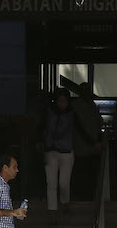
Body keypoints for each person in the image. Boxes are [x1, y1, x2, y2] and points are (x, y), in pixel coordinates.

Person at [42, 88, 75, 224]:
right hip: (51, 151)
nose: (62, 104)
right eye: (60, 101)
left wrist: (93, 142)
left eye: (64, 101)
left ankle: (65, 201)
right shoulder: (48, 113)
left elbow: (81, 129)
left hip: (66, 152)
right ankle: (53, 213)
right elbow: (41, 127)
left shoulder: (72, 114)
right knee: (51, 183)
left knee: (64, 183)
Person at [70, 83, 103, 200]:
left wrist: (96, 141)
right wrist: (93, 142)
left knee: (91, 174)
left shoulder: (92, 105)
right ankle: (81, 196)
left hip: (92, 148)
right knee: (81, 173)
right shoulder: (75, 106)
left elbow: (98, 123)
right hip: (81, 147)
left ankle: (90, 196)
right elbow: (79, 127)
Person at [0, 153, 28, 227]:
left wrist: (14, 212)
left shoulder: (4, 185)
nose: (17, 170)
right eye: (14, 167)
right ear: (5, 167)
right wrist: (13, 212)